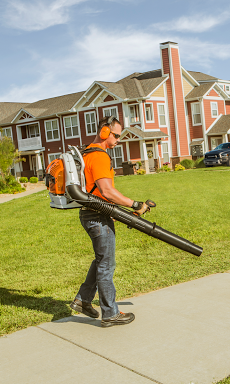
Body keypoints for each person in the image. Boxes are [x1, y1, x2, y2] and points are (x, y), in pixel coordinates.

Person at [70, 116, 147, 327]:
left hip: (91, 212)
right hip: (97, 216)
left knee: (101, 260)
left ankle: (83, 300)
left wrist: (112, 210)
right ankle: (110, 313)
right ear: (104, 132)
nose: (118, 140)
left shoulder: (87, 152)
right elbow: (107, 190)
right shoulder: (100, 156)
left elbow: (97, 191)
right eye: (116, 135)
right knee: (106, 264)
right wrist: (134, 204)